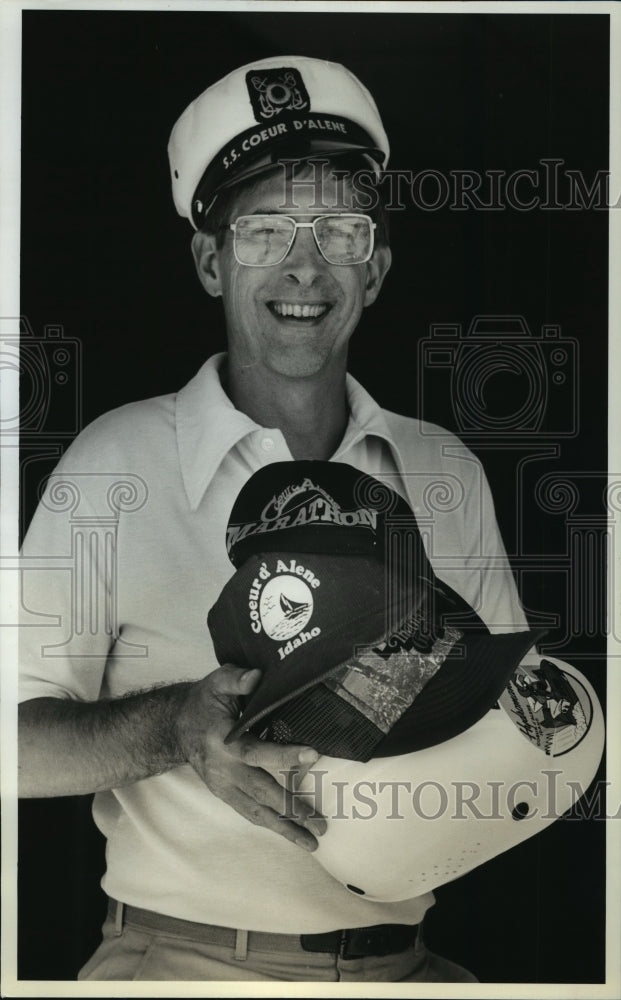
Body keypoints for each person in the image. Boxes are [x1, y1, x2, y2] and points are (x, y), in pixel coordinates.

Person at [18, 55, 532, 983]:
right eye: (263, 229)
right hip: (179, 965)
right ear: (211, 261)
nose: (305, 263)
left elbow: (517, 725)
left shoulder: (443, 469)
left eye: (338, 228)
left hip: (410, 966)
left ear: (373, 268)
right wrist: (176, 726)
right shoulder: (114, 465)